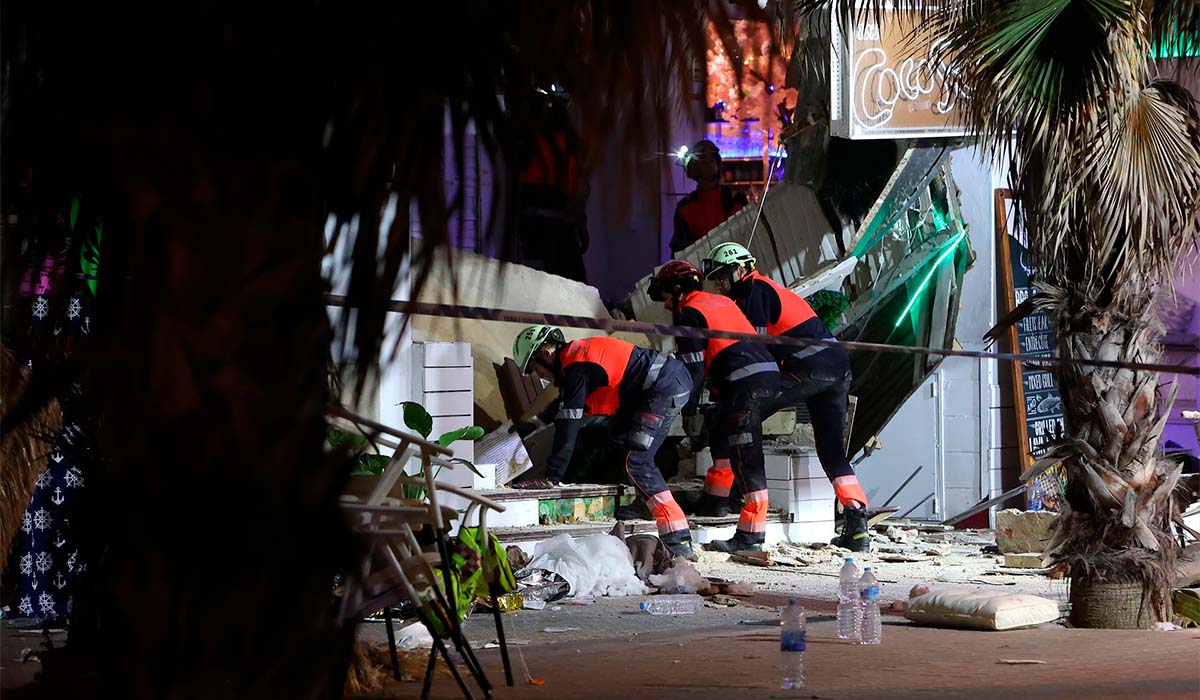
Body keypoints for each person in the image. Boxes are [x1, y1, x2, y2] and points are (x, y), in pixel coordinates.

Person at [702, 242, 870, 551]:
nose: (719, 285)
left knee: (741, 415)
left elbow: (754, 352)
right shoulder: (760, 291)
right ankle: (858, 526)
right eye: (715, 280)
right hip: (835, 368)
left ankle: (746, 527)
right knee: (831, 448)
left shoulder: (754, 293)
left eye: (722, 277)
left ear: (741, 270)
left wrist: (722, 388)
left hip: (809, 366)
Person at [510, 326, 697, 559]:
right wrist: (532, 424)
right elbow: (562, 405)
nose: (541, 377)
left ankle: (678, 538)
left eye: (536, 370)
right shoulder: (577, 360)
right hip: (659, 386)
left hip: (662, 387)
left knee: (637, 460)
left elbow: (568, 424)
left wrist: (552, 478)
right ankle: (644, 503)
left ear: (546, 352)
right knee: (618, 435)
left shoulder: (577, 365)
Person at [648, 261, 779, 553]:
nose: (667, 306)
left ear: (677, 290)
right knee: (721, 430)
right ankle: (715, 502)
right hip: (763, 375)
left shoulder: (687, 313)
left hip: (744, 381)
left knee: (746, 453)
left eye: (666, 297)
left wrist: (688, 409)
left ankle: (750, 538)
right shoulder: (719, 301)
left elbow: (692, 370)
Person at [669, 140, 748, 255]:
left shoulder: (736, 199)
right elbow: (679, 253)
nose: (706, 165)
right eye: (702, 161)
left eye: (710, 161)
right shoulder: (684, 209)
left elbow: (748, 235)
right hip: (700, 268)